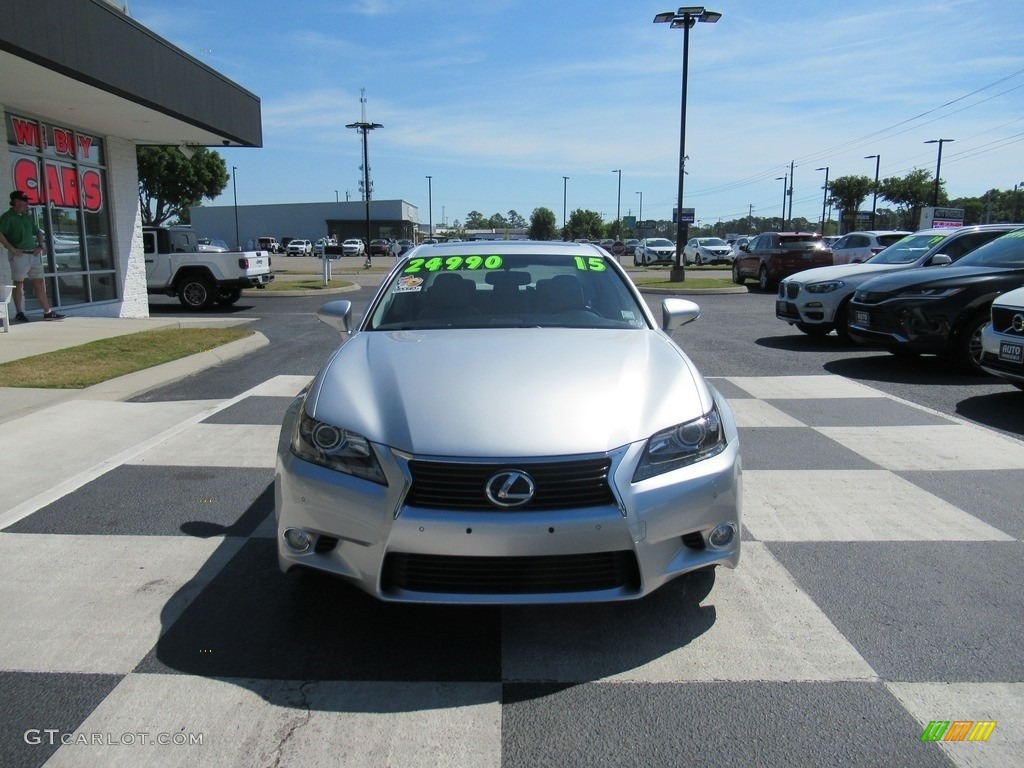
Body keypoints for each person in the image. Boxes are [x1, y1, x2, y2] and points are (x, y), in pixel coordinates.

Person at [0, 190, 64, 321]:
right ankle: (19, 312)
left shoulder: (26, 217)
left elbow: (38, 232)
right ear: (16, 202)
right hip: (19, 255)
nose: (26, 204)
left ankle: (47, 312)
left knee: (39, 282)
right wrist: (11, 248)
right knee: (18, 283)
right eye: (24, 201)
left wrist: (40, 245)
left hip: (33, 255)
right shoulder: (7, 217)